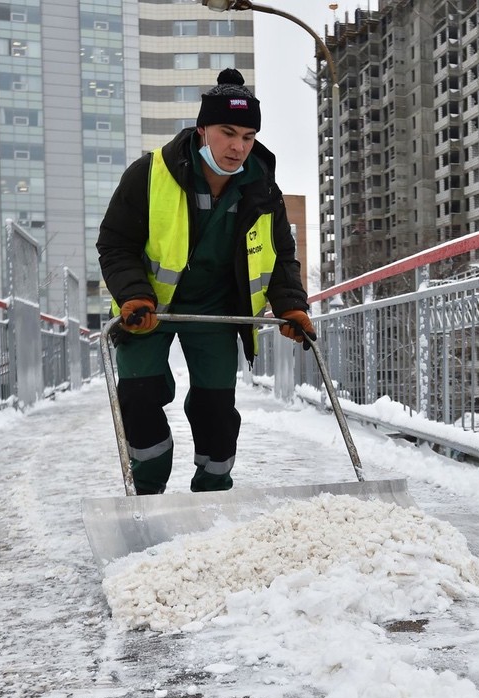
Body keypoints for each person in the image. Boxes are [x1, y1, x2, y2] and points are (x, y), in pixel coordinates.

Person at [97, 68, 315, 495]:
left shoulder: (262, 189)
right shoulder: (149, 175)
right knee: (139, 398)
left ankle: (214, 491)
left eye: (248, 136)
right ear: (202, 130)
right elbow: (115, 243)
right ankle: (147, 489)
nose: (238, 147)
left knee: (217, 408)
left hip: (215, 311)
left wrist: (291, 305)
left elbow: (280, 255)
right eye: (227, 132)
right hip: (148, 311)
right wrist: (134, 295)